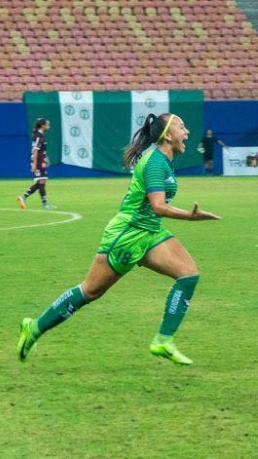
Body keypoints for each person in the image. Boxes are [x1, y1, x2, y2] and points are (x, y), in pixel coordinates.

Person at [16, 113, 220, 366]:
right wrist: (190, 216)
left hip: (150, 232)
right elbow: (158, 206)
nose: (187, 132)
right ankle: (34, 327)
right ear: (168, 135)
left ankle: (163, 341)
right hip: (128, 234)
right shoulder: (155, 162)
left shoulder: (163, 160)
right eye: (181, 127)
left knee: (188, 274)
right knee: (90, 291)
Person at [17, 118, 54, 210]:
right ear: (43, 125)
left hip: (42, 160)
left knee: (41, 182)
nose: (49, 126)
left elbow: (42, 150)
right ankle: (44, 203)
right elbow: (35, 150)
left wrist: (47, 158)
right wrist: (34, 164)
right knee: (41, 181)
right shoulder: (38, 136)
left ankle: (23, 197)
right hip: (38, 161)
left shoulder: (41, 135)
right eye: (48, 124)